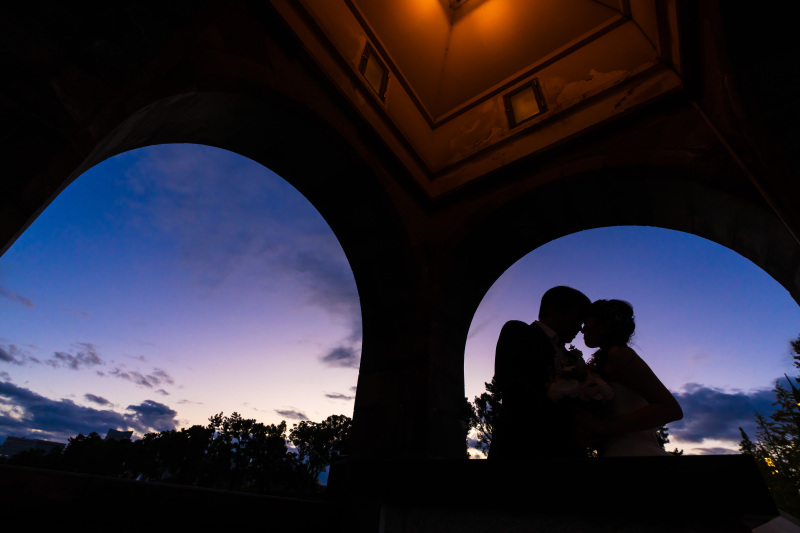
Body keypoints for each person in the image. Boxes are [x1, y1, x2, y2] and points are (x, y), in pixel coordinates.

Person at [489, 286, 591, 459]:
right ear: (554, 310)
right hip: (521, 446)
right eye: (578, 318)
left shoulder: (572, 359)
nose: (580, 328)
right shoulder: (519, 332)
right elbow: (510, 383)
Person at [580, 299, 683, 456]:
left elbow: (671, 409)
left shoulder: (619, 354)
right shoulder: (603, 361)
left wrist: (603, 427)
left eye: (587, 322)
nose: (583, 329)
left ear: (603, 327)